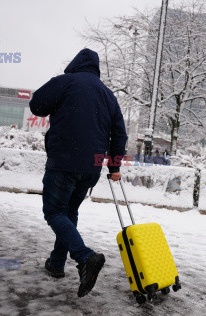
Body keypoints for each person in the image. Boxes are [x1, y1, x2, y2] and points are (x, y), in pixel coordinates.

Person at [30, 48, 127, 298]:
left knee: (53, 212)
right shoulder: (108, 95)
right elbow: (120, 134)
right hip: (90, 168)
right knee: (69, 213)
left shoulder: (66, 82)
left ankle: (85, 257)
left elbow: (36, 105)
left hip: (63, 161)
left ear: (75, 64)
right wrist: (114, 166)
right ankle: (56, 264)